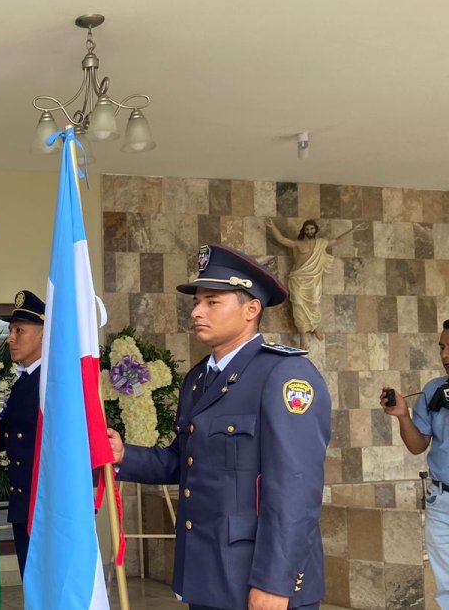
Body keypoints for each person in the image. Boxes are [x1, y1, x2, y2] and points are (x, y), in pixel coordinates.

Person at [108, 243, 331, 610]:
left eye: (212, 301)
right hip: (209, 576)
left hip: (260, 582)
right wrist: (122, 455)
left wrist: (275, 583)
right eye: (197, 301)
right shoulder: (199, 380)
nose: (197, 311)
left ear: (251, 309)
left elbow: (296, 488)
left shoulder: (284, 375)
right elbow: (185, 463)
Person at [381, 318, 449, 608]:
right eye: (442, 347)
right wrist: (403, 416)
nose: (444, 355)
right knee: (446, 585)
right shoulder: (434, 390)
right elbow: (417, 445)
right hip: (442, 500)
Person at [0, 290, 44, 575]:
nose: (11, 337)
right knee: (33, 585)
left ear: (44, 334)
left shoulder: (50, 382)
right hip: (24, 503)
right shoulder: (24, 381)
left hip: (44, 506)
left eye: (19, 330)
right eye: (10, 329)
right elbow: (2, 439)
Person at [265, 218, 366, 348]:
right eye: (307, 229)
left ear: (315, 230)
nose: (309, 231)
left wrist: (353, 230)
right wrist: (272, 227)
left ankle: (315, 326)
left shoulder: (321, 243)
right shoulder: (299, 244)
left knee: (313, 304)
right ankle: (303, 336)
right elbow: (282, 240)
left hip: (313, 280)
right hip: (299, 280)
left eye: (312, 229)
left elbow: (337, 241)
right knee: (298, 305)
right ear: (304, 231)